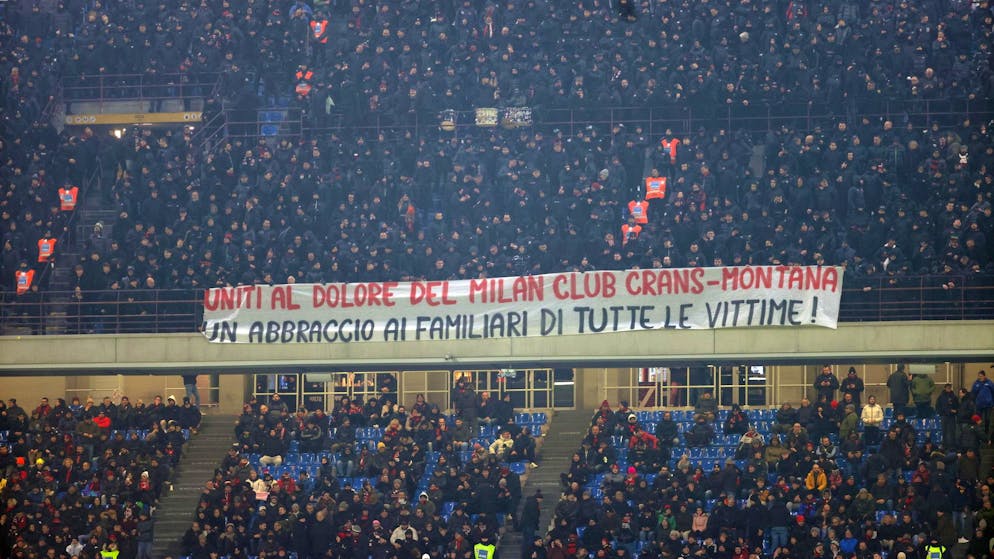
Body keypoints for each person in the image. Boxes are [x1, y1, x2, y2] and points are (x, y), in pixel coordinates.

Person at [935, 384, 959, 450]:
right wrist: (941, 413)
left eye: (950, 387)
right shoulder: (941, 397)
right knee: (944, 431)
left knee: (952, 431)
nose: (949, 389)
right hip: (944, 416)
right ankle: (944, 445)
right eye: (947, 387)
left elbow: (957, 406)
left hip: (951, 417)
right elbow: (937, 406)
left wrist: (955, 411)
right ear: (945, 388)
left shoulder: (954, 397)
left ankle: (952, 446)